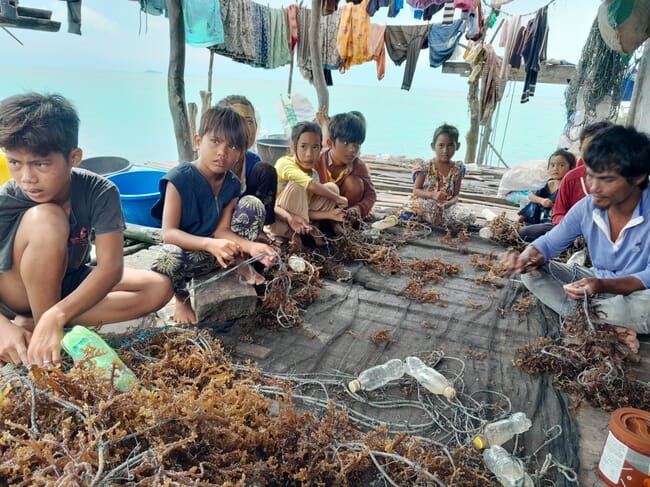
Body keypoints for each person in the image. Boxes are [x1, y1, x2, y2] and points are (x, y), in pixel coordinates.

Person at [0, 93, 173, 368]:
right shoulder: (8, 199)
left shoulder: (99, 191)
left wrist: (57, 314)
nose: (26, 177)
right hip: (16, 293)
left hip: (68, 281)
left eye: (41, 164)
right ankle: (48, 342)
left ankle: (42, 323)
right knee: (48, 218)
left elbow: (110, 268)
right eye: (14, 162)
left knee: (159, 287)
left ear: (74, 157)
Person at [500, 125, 650, 354]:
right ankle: (607, 324)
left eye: (606, 179)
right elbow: (549, 243)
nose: (594, 187)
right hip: (597, 283)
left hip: (636, 293)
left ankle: (588, 319)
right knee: (531, 274)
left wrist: (602, 286)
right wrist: (526, 258)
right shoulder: (588, 207)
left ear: (638, 177)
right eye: (590, 176)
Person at [150, 105, 275, 324]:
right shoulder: (179, 179)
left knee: (252, 204)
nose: (222, 152)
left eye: (233, 146)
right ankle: (182, 299)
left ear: (240, 154)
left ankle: (239, 264)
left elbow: (222, 231)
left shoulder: (232, 184)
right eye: (215, 141)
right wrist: (209, 244)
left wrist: (251, 247)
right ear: (198, 141)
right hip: (191, 256)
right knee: (166, 256)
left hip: (221, 253)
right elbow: (169, 233)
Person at [269, 121, 348, 247]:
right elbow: (310, 185)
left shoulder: (314, 174)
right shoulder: (284, 163)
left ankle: (311, 232)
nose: (309, 154)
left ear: (321, 149)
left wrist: (330, 215)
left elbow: (306, 210)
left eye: (315, 147)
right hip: (280, 221)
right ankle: (298, 239)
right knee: (297, 185)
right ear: (293, 147)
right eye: (303, 146)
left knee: (331, 188)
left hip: (302, 222)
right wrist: (337, 199)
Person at [217, 95, 277, 227]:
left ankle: (257, 229)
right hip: (213, 221)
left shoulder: (254, 161)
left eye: (249, 121)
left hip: (242, 219)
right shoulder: (216, 159)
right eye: (237, 121)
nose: (245, 128)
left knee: (266, 171)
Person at [397, 123, 473, 227]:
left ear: (458, 146)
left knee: (468, 216)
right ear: (433, 146)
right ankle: (431, 218)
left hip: (445, 207)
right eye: (441, 145)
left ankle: (436, 219)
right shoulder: (425, 167)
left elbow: (456, 196)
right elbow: (416, 190)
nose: (445, 150)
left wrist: (449, 204)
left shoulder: (457, 169)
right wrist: (432, 195)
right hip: (426, 203)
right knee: (414, 209)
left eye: (450, 145)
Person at [316, 111, 377, 221]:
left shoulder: (358, 166)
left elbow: (371, 195)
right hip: (318, 212)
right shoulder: (317, 161)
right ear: (330, 143)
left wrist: (357, 209)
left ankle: (345, 223)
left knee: (355, 183)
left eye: (357, 144)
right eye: (345, 143)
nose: (352, 150)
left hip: (343, 214)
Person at [552, 120, 614, 226]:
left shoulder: (625, 182)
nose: (592, 156)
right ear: (580, 150)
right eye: (587, 150)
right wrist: (572, 227)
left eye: (599, 150)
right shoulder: (571, 178)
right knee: (529, 232)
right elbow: (558, 214)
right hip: (571, 231)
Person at [517, 149, 576, 242]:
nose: (555, 168)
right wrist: (542, 201)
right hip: (540, 219)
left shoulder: (570, 187)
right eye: (552, 165)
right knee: (535, 201)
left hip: (554, 223)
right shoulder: (550, 184)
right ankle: (518, 222)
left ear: (571, 168)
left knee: (523, 233)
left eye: (561, 165)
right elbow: (531, 196)